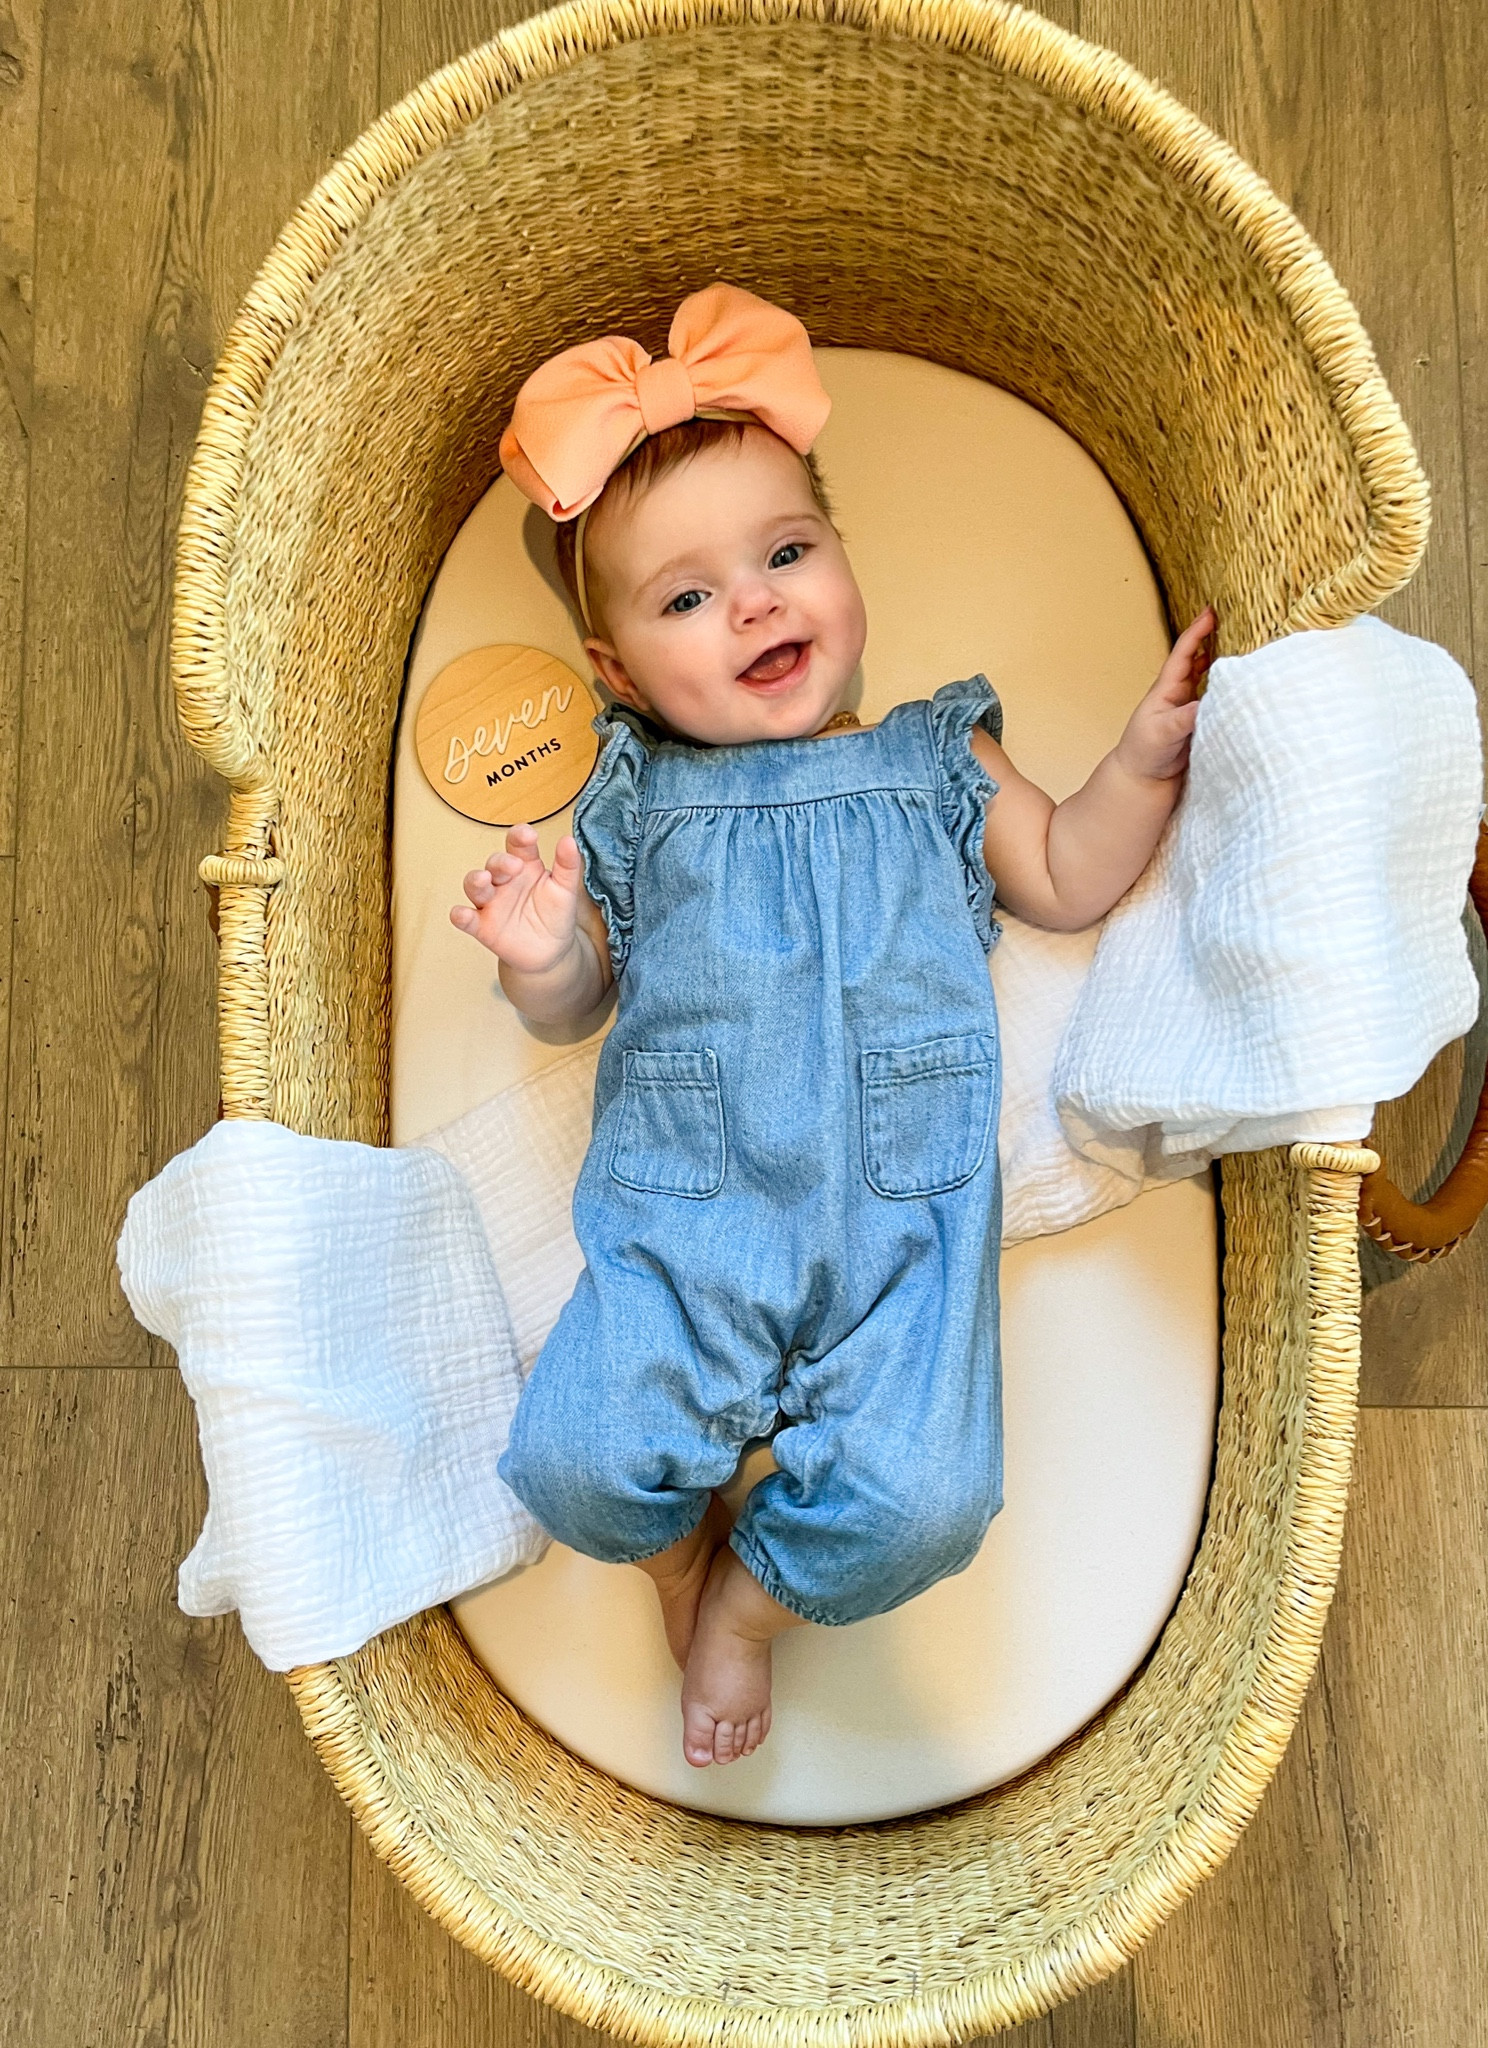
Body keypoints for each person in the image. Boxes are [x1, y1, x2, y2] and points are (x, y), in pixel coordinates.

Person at [450, 284, 1213, 1770]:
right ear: (615, 676)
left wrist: (1138, 762)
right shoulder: (632, 803)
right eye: (684, 599)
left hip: (902, 1234)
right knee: (571, 1467)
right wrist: (541, 956)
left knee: (927, 1503)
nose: (754, 603)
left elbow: (1067, 878)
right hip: (684, 1232)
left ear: (845, 561)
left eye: (787, 552)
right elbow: (580, 1006)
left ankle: (747, 1599)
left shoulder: (940, 757)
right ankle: (677, 1554)